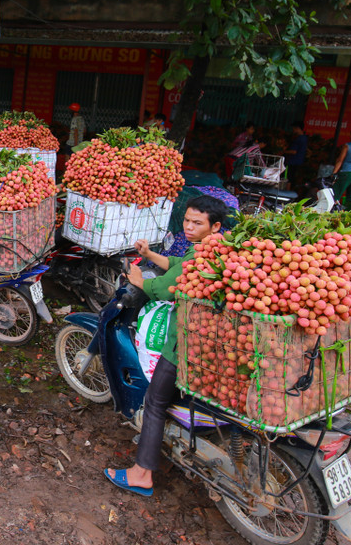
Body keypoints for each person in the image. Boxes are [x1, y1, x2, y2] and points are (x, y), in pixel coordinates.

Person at [104, 195, 228, 497]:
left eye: (197, 223)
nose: (188, 226)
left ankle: (142, 473)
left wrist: (138, 279)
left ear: (215, 226)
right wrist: (150, 254)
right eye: (186, 220)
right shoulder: (216, 248)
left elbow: (164, 288)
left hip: (185, 343)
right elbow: (177, 265)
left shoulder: (202, 255)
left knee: (155, 403)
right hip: (212, 343)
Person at [284, 122, 308, 190]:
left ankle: (287, 192)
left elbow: (294, 151)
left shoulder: (299, 139)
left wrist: (283, 152)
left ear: (297, 128)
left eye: (294, 129)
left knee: (289, 177)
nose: (293, 130)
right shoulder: (304, 138)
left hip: (293, 161)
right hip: (299, 161)